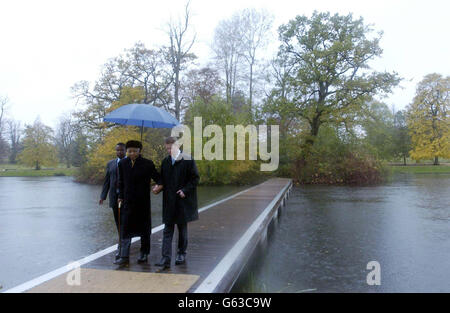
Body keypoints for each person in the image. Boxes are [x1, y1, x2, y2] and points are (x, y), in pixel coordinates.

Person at [114, 140, 163, 266]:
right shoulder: (123, 163)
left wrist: (159, 186)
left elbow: (158, 178)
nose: (132, 154)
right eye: (129, 151)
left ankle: (144, 253)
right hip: (127, 202)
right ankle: (124, 255)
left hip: (142, 202)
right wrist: (120, 196)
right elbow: (120, 181)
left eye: (134, 151)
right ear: (126, 151)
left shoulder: (147, 164)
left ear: (139, 151)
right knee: (125, 229)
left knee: (144, 229)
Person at [154, 136, 200, 269]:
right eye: (167, 148)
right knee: (167, 230)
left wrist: (185, 190)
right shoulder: (165, 162)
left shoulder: (188, 160)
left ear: (177, 146)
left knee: (182, 229)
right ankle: (165, 258)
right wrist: (158, 187)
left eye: (171, 148)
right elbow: (163, 180)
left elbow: (195, 179)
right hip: (169, 201)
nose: (169, 151)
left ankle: (181, 253)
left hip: (183, 201)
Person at [99, 142, 126, 261]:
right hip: (114, 198)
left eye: (121, 150)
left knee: (125, 223)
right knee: (118, 223)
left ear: (125, 151)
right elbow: (107, 181)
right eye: (117, 150)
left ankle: (123, 247)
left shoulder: (129, 163)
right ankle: (121, 244)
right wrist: (103, 196)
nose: (119, 152)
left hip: (126, 198)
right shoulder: (110, 164)